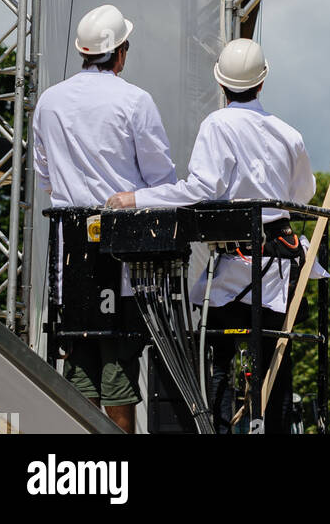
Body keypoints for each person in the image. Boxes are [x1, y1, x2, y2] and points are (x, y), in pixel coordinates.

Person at [107, 38, 316, 434]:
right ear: (262, 82)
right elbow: (301, 195)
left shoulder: (217, 125)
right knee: (276, 361)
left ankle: (219, 431)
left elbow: (199, 189)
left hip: (233, 263)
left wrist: (138, 198)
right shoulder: (288, 133)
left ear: (221, 84)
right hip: (277, 263)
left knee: (219, 358)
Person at [33, 2, 176, 433]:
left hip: (69, 256)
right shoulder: (134, 100)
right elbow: (162, 180)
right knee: (118, 370)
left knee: (79, 369)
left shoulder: (49, 101)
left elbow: (45, 178)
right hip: (120, 255)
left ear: (82, 51)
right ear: (120, 52)